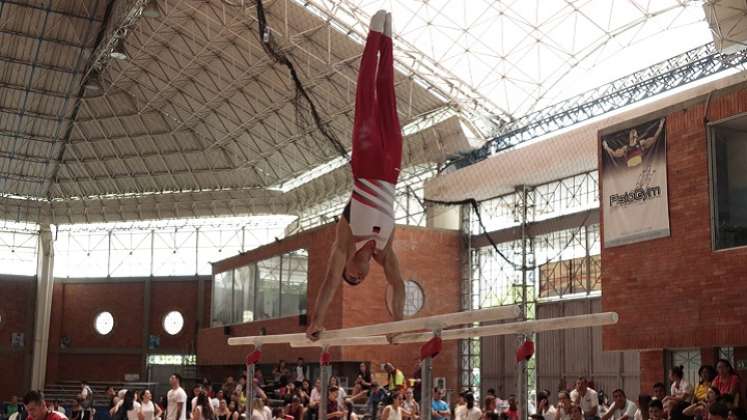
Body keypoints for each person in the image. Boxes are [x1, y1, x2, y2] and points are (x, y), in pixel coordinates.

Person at [306, 9, 406, 340]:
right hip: (391, 169)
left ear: (349, 266)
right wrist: (397, 324)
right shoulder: (384, 251)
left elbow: (329, 281)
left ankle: (373, 35)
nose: (357, 277)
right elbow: (398, 284)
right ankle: (389, 39)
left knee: (366, 97)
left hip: (365, 166)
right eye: (359, 280)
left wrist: (316, 320)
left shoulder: (344, 241)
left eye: (353, 277)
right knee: (388, 96)